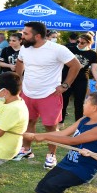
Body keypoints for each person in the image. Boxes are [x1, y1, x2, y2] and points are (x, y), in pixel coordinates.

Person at [12, 91, 97, 193]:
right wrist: (37, 135)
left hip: (83, 168)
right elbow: (62, 133)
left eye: (86, 102)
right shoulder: (84, 119)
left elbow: (72, 141)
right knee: (44, 184)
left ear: (95, 108)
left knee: (53, 184)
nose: (83, 104)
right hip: (70, 161)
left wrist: (44, 136)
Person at [14, 22, 81, 170]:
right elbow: (20, 62)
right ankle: (26, 149)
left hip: (50, 94)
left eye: (26, 34)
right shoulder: (25, 48)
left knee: (50, 127)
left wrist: (65, 85)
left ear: (37, 36)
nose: (22, 36)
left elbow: (76, 66)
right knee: (28, 122)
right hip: (27, 93)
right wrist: (17, 83)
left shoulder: (57, 49)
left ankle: (51, 155)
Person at [61, 33, 97, 126]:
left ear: (89, 43)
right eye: (78, 41)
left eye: (82, 43)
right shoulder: (70, 49)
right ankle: (60, 121)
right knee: (64, 99)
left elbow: (94, 69)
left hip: (81, 79)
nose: (79, 44)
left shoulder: (92, 54)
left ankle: (78, 123)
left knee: (79, 102)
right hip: (67, 78)